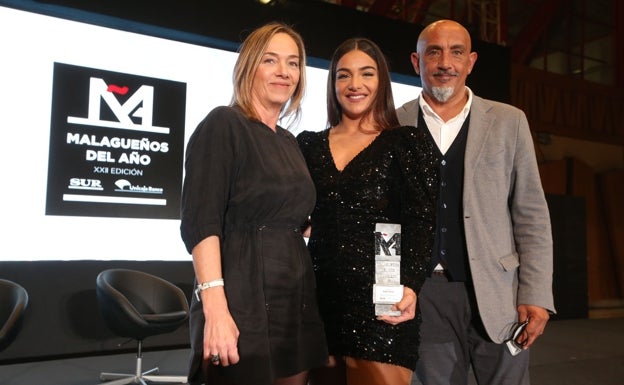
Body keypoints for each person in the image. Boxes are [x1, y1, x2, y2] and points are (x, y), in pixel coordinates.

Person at [396, 19, 556, 385]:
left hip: (500, 293)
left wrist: (536, 293)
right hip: (423, 294)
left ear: (471, 61)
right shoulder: (392, 122)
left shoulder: (509, 121)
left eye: (456, 52)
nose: (444, 63)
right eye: (433, 52)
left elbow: (531, 214)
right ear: (416, 62)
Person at [180, 22, 328, 385]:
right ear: (249, 67)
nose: (284, 72)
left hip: (295, 300)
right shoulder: (224, 124)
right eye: (271, 60)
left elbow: (291, 216)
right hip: (241, 297)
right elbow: (201, 222)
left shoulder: (290, 143)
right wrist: (216, 310)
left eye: (293, 63)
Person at [297, 38, 438, 385]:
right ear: (332, 84)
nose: (354, 84)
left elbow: (421, 222)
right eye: (343, 75)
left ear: (382, 81)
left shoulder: (406, 143)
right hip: (319, 303)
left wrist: (411, 286)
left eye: (366, 73)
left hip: (383, 309)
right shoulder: (307, 145)